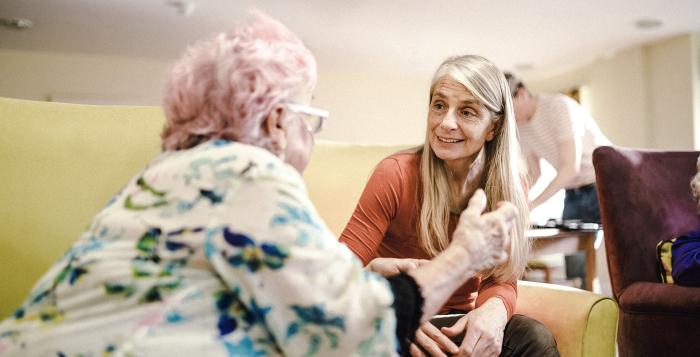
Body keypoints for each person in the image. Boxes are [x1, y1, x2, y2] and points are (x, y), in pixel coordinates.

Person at [0, 13, 518, 357]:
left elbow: (290, 293)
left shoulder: (174, 173)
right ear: (274, 121)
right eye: (309, 118)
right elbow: (347, 330)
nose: (312, 138)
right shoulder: (249, 174)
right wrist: (465, 255)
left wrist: (366, 270)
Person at [340, 55, 558, 357]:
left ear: (493, 127)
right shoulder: (395, 174)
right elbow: (337, 276)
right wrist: (400, 310)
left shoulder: (509, 187)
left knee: (534, 338)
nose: (446, 123)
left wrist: (494, 309)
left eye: (467, 112)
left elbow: (501, 278)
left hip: (455, 325)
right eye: (439, 105)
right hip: (394, 316)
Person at [504, 72, 611, 223]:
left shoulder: (557, 106)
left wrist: (532, 205)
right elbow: (534, 172)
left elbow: (570, 168)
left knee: (616, 244)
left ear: (521, 93)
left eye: (508, 108)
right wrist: (516, 199)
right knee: (572, 245)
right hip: (573, 191)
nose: (507, 116)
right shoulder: (520, 125)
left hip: (603, 184)